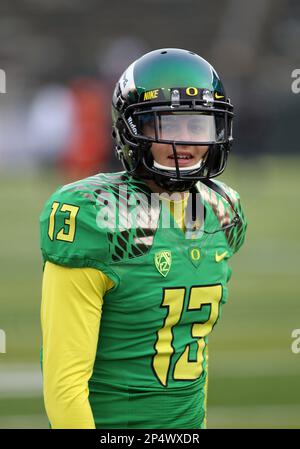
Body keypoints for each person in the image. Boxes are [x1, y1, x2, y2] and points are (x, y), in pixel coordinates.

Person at [40, 48, 247, 429]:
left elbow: (193, 356)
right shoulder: (94, 216)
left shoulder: (222, 210)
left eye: (197, 126)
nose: (185, 142)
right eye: (169, 125)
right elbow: (64, 383)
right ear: (133, 131)